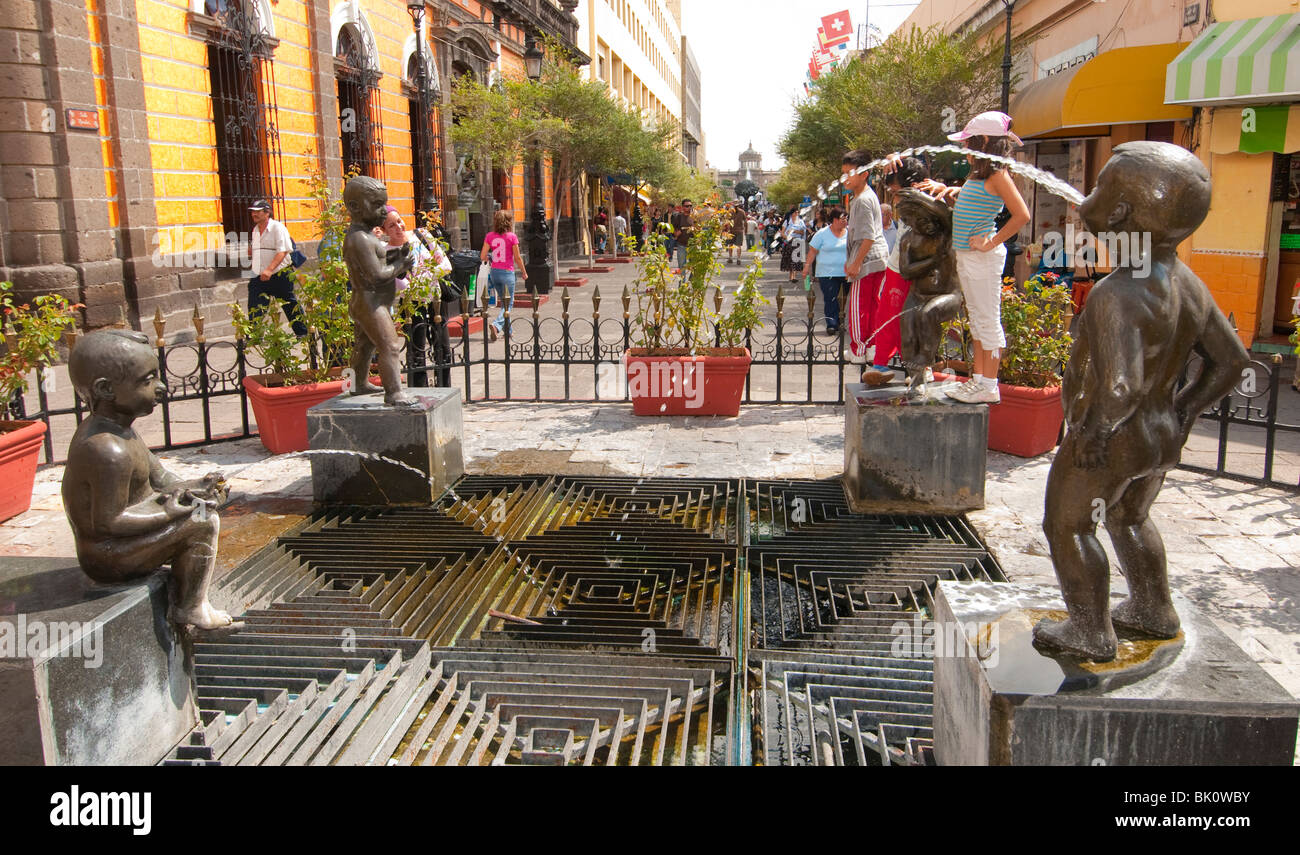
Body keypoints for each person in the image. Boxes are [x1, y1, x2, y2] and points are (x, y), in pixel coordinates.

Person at [1037, 142, 1249, 661]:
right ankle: (1154, 609)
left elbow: (1119, 388)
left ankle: (1090, 631)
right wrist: (1185, 408)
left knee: (1068, 523)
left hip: (1114, 436)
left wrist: (1092, 434)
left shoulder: (1117, 292)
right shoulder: (1187, 283)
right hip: (1161, 434)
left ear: (1120, 213)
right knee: (1129, 517)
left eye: (1101, 188)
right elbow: (1232, 362)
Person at [61, 330, 237, 631]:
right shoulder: (107, 449)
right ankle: (190, 608)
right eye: (148, 380)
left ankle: (192, 601)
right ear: (105, 389)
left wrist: (198, 487)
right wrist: (169, 513)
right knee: (202, 522)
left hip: (126, 539)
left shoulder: (121, 430)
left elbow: (162, 478)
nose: (161, 387)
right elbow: (110, 522)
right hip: (108, 556)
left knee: (202, 508)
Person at [919, 111, 1031, 404]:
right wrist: (950, 190)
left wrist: (991, 241)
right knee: (979, 321)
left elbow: (1022, 215)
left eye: (969, 142)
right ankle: (980, 381)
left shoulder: (997, 174)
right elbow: (978, 200)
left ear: (982, 141)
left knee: (987, 321)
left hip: (982, 258)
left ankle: (989, 385)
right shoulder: (981, 175)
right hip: (970, 257)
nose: (965, 148)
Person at [343, 177, 414, 405]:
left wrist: (396, 257)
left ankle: (358, 383)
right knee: (390, 345)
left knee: (364, 345)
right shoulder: (360, 239)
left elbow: (380, 263)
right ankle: (394, 393)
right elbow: (376, 275)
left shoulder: (366, 236)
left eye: (384, 203)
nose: (383, 211)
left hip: (369, 301)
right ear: (354, 207)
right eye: (376, 205)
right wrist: (400, 265)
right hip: (370, 302)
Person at [382, 208, 454, 385]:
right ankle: (419, 388)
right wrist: (419, 284)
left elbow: (446, 264)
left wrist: (424, 277)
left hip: (436, 298)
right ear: (384, 231)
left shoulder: (421, 235)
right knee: (416, 348)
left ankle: (444, 386)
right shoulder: (386, 251)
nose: (398, 227)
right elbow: (399, 282)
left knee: (442, 346)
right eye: (391, 225)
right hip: (412, 302)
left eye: (399, 221)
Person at [841, 150, 891, 369]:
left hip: (867, 258)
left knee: (858, 306)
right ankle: (871, 346)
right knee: (873, 305)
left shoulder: (861, 200)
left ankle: (859, 349)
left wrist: (855, 262)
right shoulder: (869, 196)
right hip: (879, 257)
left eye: (849, 173)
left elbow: (867, 236)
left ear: (864, 174)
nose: (845, 178)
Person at [246, 199, 307, 336]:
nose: (254, 214)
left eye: (257, 211)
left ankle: (302, 332)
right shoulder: (255, 230)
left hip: (279, 274)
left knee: (289, 303)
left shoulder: (277, 228)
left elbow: (283, 251)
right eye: (253, 212)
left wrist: (269, 269)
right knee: (255, 305)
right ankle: (254, 335)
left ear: (267, 213)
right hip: (259, 274)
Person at [481, 209, 527, 341]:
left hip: (495, 272)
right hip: (507, 272)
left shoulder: (490, 236)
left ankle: (509, 331)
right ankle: (496, 326)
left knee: (504, 303)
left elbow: (483, 256)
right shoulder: (512, 237)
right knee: (509, 304)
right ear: (509, 222)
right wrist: (524, 272)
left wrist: (490, 258)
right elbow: (517, 258)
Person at [804, 206, 850, 333]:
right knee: (831, 297)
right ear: (834, 219)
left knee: (843, 298)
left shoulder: (850, 233)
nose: (845, 221)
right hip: (826, 272)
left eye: (846, 218)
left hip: (846, 272)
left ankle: (840, 320)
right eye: (842, 218)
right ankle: (831, 323)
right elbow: (812, 251)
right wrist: (807, 267)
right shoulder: (822, 234)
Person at [779, 207, 808, 284]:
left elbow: (803, 232)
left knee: (796, 260)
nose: (797, 214)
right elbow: (782, 233)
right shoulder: (787, 221)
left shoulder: (801, 222)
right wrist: (789, 237)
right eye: (795, 212)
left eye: (798, 213)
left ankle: (794, 276)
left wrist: (794, 231)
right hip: (789, 242)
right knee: (790, 260)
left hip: (798, 242)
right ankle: (791, 276)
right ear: (792, 214)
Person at [670, 199, 694, 270]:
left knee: (694, 266)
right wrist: (677, 233)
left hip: (693, 245)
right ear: (683, 207)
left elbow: (699, 228)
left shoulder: (694, 217)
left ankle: (690, 281)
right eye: (687, 206)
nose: (689, 207)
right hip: (681, 245)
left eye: (690, 206)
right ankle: (682, 281)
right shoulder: (679, 217)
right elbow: (673, 228)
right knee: (682, 267)